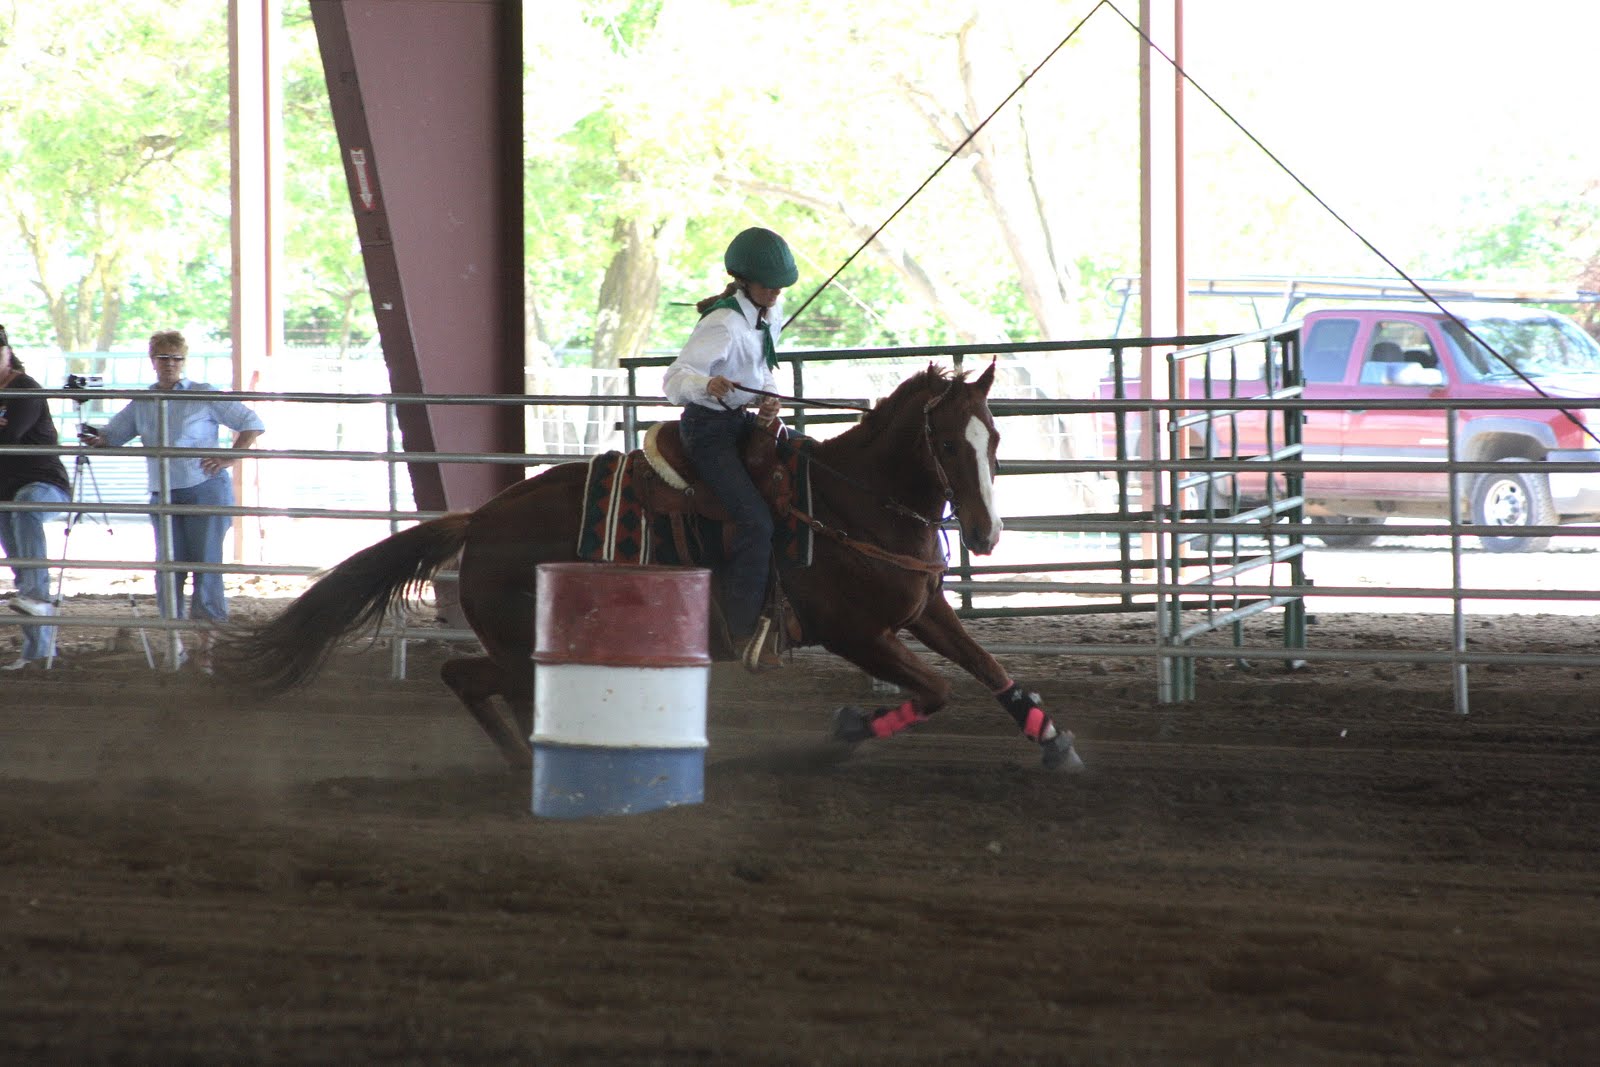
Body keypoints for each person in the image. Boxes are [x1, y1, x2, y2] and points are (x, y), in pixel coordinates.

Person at [82, 331, 265, 671]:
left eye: (176, 359)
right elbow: (114, 436)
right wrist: (96, 437)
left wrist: (230, 458)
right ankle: (174, 641)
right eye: (163, 358)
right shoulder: (144, 402)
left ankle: (206, 646)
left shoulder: (203, 395)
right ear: (153, 361)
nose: (170, 365)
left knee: (206, 564)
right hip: (164, 491)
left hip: (204, 488)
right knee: (169, 567)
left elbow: (251, 422)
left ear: (184, 361)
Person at [662, 226, 796, 668]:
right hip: (708, 430)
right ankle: (738, 630)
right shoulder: (721, 324)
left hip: (741, 421)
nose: (775, 292)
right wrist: (707, 383)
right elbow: (675, 380)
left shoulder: (767, 317)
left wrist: (768, 396)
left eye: (779, 285)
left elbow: (763, 369)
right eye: (767, 285)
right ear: (744, 281)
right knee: (755, 520)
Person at [0, 340, 72, 669]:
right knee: (20, 562)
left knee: (27, 505)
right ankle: (38, 651)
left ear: (7, 353)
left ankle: (37, 596)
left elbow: (10, 435)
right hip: (5, 493)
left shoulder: (25, 388)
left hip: (44, 484)